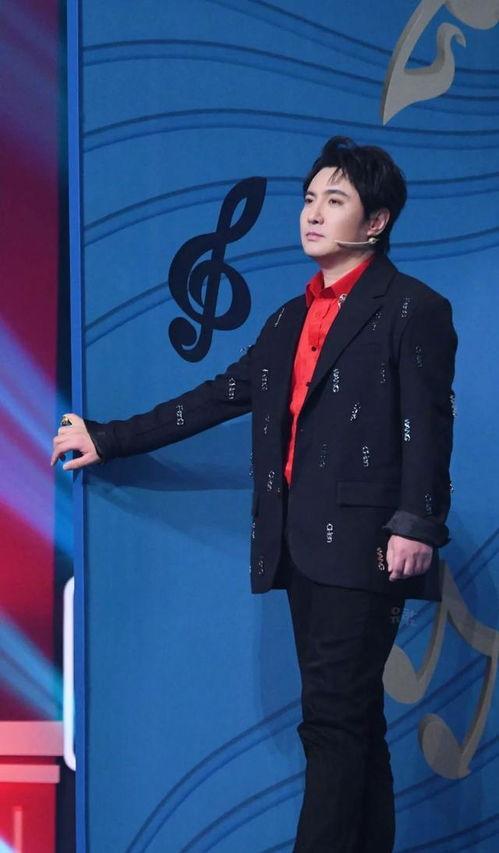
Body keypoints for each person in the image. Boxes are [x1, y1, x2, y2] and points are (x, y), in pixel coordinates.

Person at [51, 136, 458, 852]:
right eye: (309, 199)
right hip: (298, 545)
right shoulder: (286, 320)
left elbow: (427, 422)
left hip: (366, 547)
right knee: (353, 723)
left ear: (375, 222)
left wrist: (416, 523)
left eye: (335, 200)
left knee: (332, 723)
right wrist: (108, 437)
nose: (313, 213)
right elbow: (217, 396)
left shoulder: (411, 307)